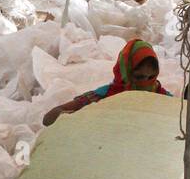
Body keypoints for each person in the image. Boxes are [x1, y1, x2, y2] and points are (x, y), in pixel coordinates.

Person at [43, 38, 172, 126]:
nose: (145, 83)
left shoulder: (161, 96)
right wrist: (68, 116)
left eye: (151, 77)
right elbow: (49, 118)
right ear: (125, 72)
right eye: (139, 77)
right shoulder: (105, 95)